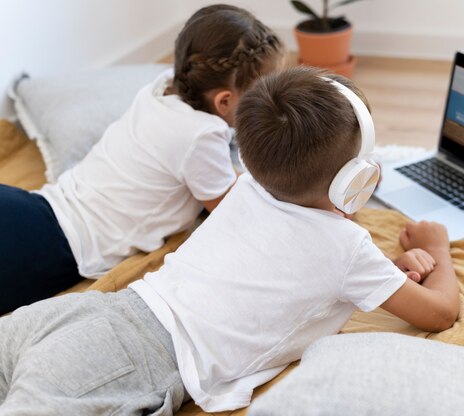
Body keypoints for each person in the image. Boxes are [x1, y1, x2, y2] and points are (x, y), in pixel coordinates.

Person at [0, 67, 460, 414]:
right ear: (356, 181)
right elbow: (439, 314)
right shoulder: (351, 250)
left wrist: (386, 271)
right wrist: (437, 247)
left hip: (94, 312)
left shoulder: (245, 187)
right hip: (135, 359)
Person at [0, 4, 284, 314]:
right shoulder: (201, 136)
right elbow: (234, 210)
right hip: (62, 245)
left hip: (38, 208)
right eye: (261, 99)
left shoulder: (161, 87)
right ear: (224, 101)